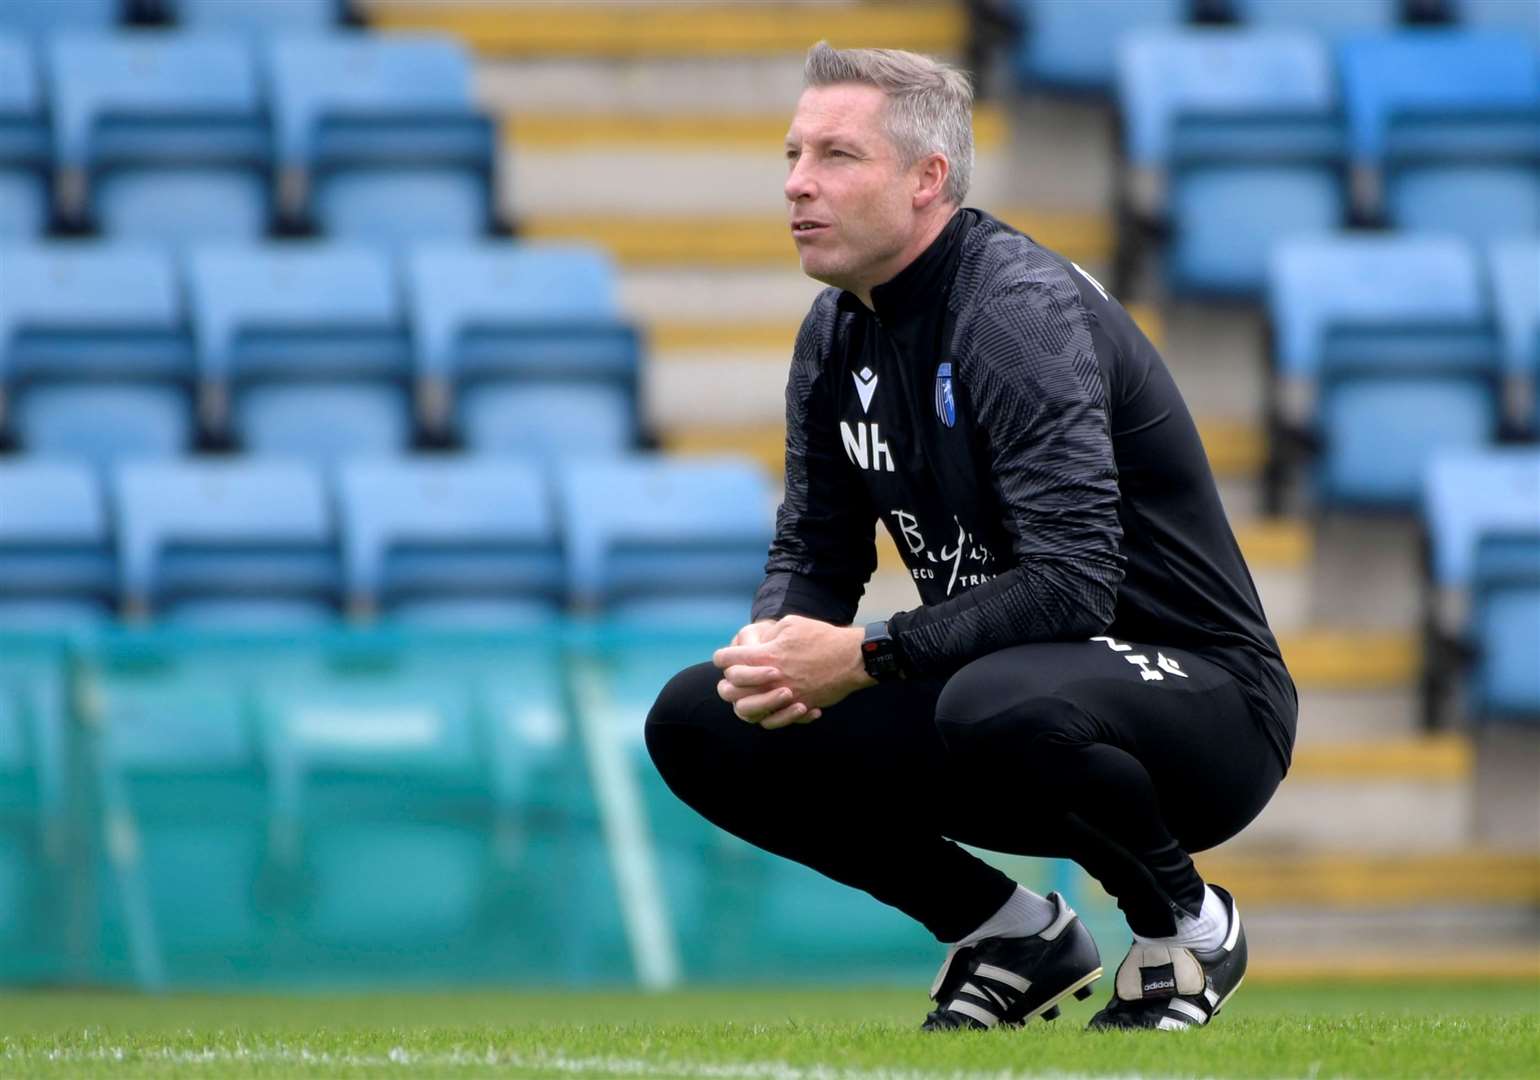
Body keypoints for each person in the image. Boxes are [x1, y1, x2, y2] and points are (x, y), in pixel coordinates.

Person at [645, 42, 1296, 1033]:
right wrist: (776, 650)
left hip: (1201, 708)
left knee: (998, 697)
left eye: (834, 156)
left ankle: (1187, 928)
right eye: (791, 155)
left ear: (926, 180)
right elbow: (818, 545)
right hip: (1004, 709)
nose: (797, 185)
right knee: (702, 719)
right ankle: (1004, 932)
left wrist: (865, 654)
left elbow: (1074, 585)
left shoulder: (1015, 312)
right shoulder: (835, 331)